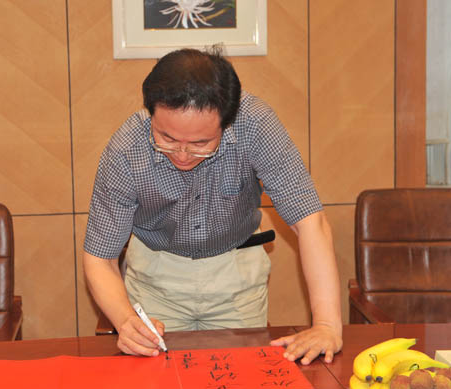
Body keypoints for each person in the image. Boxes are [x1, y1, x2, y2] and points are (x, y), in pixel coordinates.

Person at [83, 47, 343, 365]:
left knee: (244, 377)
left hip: (236, 275)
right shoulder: (127, 147)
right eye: (167, 138)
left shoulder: (255, 125)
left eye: (200, 144)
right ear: (151, 112)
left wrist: (327, 325)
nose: (182, 155)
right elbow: (100, 257)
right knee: (157, 381)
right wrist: (125, 321)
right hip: (156, 276)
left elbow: (310, 222)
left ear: (227, 122)